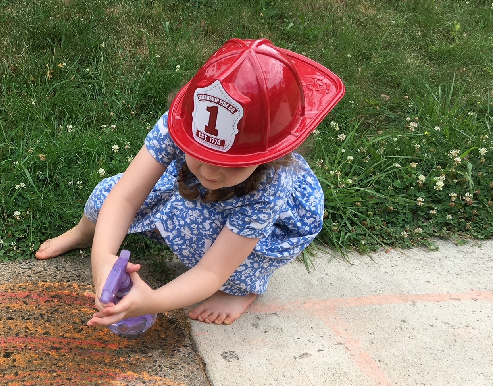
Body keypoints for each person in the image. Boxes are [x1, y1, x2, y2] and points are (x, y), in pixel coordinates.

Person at [35, 38, 344, 327]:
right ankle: (83, 234)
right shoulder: (185, 121)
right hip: (187, 187)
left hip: (264, 226)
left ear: (270, 157)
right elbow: (125, 197)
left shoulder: (271, 186)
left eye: (230, 165)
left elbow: (211, 271)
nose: (209, 172)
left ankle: (244, 289)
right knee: (107, 197)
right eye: (198, 155)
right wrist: (102, 258)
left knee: (200, 238)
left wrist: (153, 301)